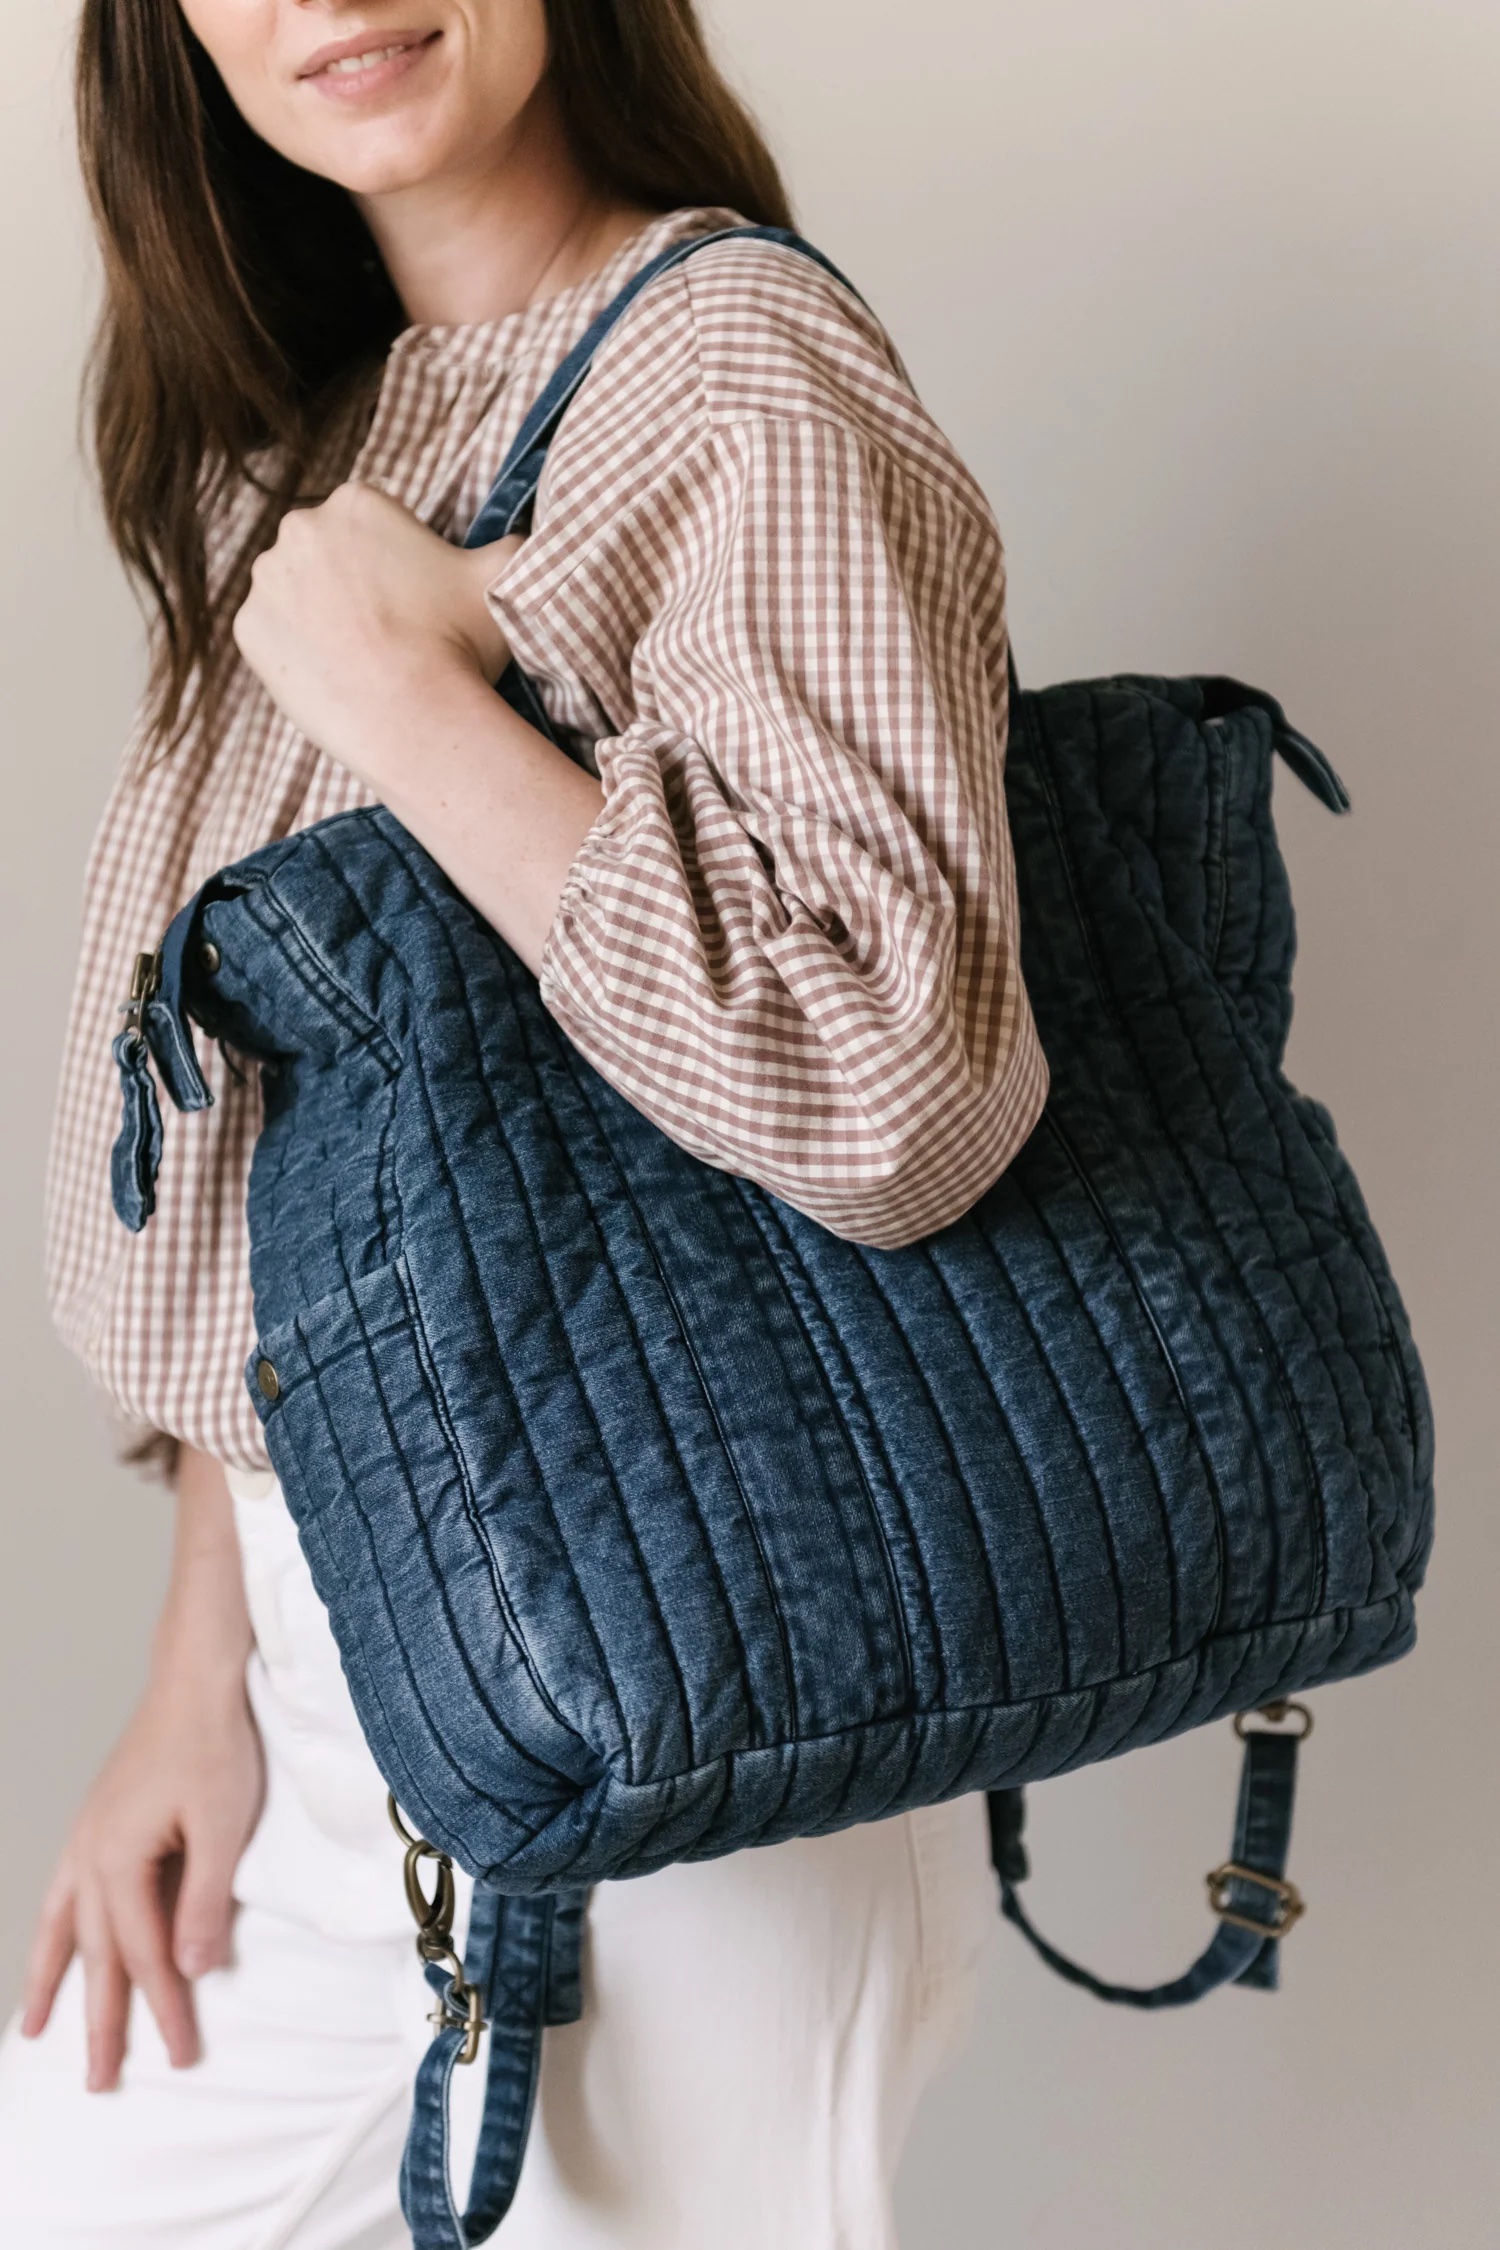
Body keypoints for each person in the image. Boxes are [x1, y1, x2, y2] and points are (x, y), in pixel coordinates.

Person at [0, 0, 1048, 2241]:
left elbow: (900, 1094)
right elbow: (275, 1161)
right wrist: (206, 1681)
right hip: (334, 1678)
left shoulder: (740, 370)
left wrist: (408, 688)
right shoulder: (298, 443)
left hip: (709, 1660)